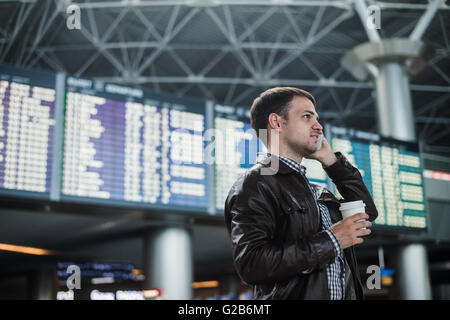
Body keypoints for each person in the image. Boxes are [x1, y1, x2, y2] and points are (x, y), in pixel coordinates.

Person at [224, 87, 378, 300]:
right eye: (307, 117)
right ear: (276, 123)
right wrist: (332, 240)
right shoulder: (254, 184)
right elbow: (252, 265)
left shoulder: (316, 192)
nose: (318, 126)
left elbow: (366, 214)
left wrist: (332, 163)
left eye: (317, 118)